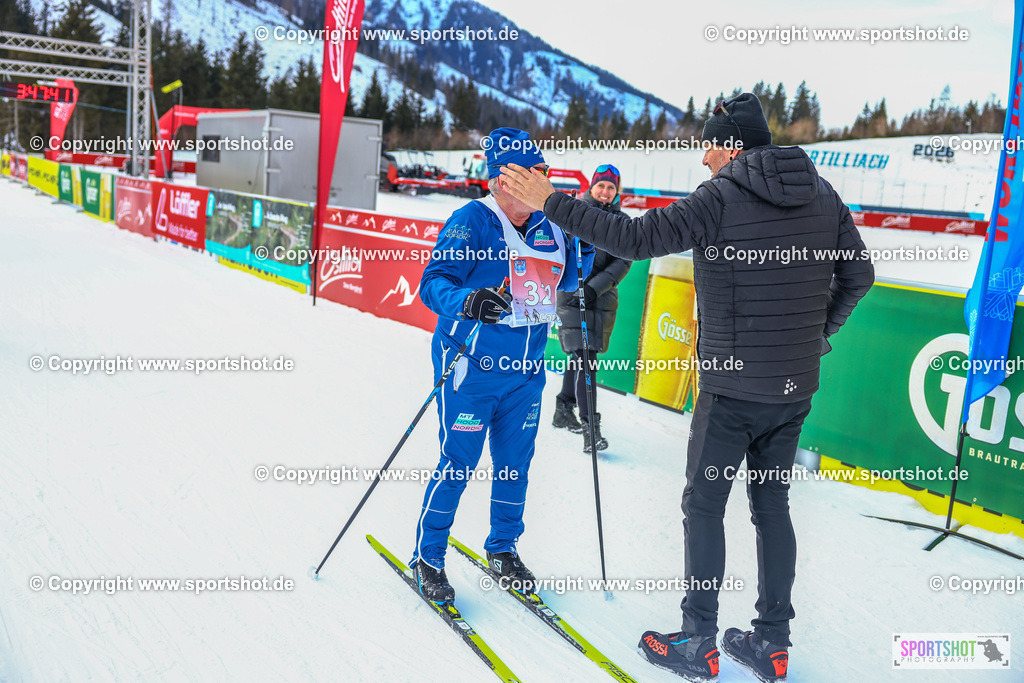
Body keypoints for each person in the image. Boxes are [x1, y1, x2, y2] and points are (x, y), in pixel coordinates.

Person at [499, 93, 874, 681]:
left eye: (708, 144)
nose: (702, 157)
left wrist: (550, 202)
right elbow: (860, 273)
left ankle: (698, 638)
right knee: (771, 505)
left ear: (730, 145)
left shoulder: (719, 196)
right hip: (794, 384)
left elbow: (635, 240)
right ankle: (772, 642)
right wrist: (814, 332)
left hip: (730, 388)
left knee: (705, 504)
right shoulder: (822, 192)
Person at [409, 127, 594, 604]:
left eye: (543, 172)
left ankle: (503, 548)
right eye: (531, 174)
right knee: (459, 463)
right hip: (471, 368)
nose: (542, 181)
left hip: (526, 373)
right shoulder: (474, 220)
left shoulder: (552, 223)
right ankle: (428, 556)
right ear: (501, 181)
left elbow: (572, 277)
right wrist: (470, 301)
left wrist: (588, 240)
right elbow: (432, 283)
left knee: (515, 465)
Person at [551, 164, 632, 452]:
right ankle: (590, 428)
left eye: (611, 187)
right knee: (585, 358)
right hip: (573, 296)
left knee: (582, 353)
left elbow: (623, 261)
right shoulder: (576, 213)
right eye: (601, 185)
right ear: (591, 187)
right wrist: (578, 287)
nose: (605, 191)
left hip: (601, 298)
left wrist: (593, 288)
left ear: (616, 191)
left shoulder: (622, 221)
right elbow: (561, 250)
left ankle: (563, 409)